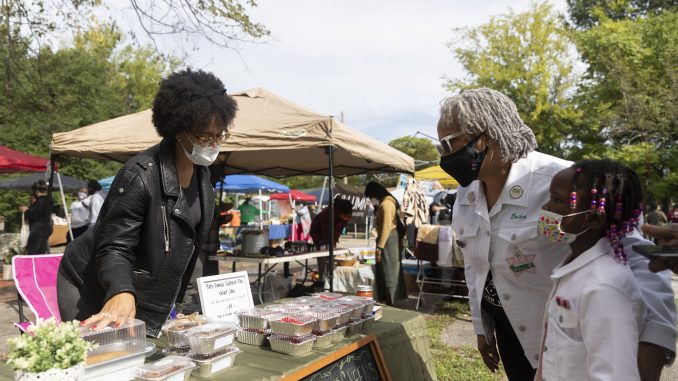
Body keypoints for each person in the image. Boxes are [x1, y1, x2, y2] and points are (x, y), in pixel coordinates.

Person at [437, 88, 676, 380]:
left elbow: (640, 262)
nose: (444, 157)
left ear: (485, 137)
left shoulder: (563, 182)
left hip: (567, 335)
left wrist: (654, 344)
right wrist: (481, 327)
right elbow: (476, 267)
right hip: (508, 328)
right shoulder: (466, 194)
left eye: (449, 145)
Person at [56, 69, 237, 337]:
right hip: (90, 285)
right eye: (203, 137)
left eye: (219, 136)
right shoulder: (139, 174)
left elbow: (188, 251)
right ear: (178, 130)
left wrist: (182, 303)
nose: (212, 144)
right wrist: (121, 289)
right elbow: (115, 247)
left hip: (141, 293)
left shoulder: (204, 180)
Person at [535, 159, 646, 380]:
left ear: (593, 218)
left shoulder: (604, 288)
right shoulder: (574, 268)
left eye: (557, 200)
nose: (546, 208)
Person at [364, 182, 407, 305]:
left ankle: (391, 299)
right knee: (383, 269)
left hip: (389, 239)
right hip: (387, 238)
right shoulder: (385, 202)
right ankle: (386, 298)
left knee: (390, 270)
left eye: (370, 196)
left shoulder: (387, 203)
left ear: (375, 193)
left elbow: (387, 226)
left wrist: (380, 247)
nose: (371, 200)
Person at [309, 198, 353, 281]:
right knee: (323, 259)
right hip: (318, 235)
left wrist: (334, 243)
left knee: (331, 259)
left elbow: (337, 230)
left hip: (330, 236)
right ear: (339, 212)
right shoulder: (328, 214)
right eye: (345, 216)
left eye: (348, 216)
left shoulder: (346, 214)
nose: (347, 218)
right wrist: (329, 246)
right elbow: (326, 233)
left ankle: (330, 279)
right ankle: (322, 281)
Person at [18, 180, 53, 254]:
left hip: (38, 229)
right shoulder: (48, 200)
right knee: (41, 251)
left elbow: (33, 215)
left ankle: (32, 265)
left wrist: (26, 210)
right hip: (46, 227)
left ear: (36, 191)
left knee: (33, 251)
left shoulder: (41, 201)